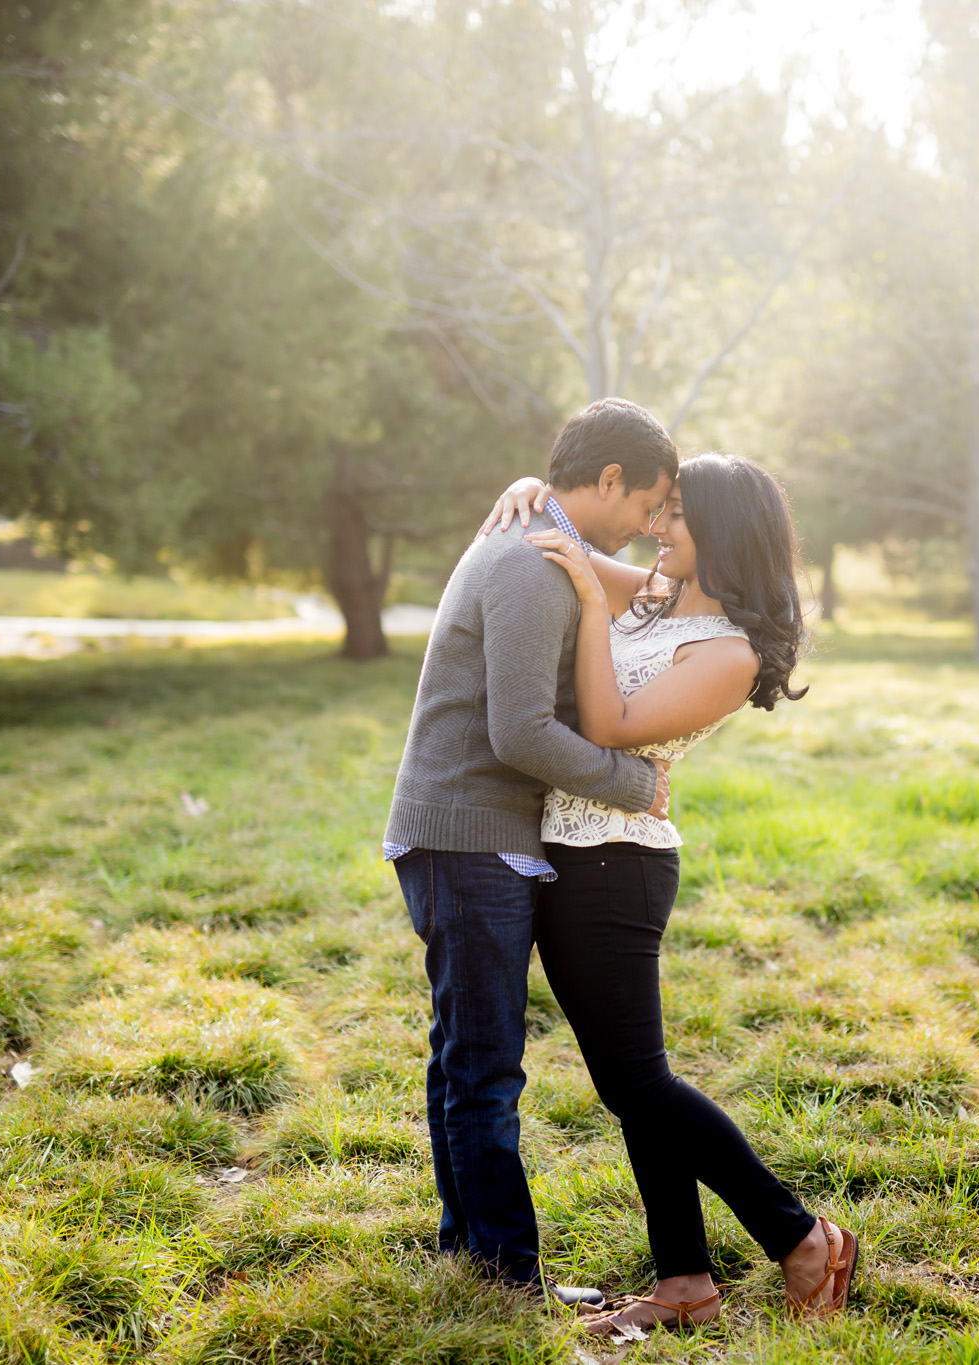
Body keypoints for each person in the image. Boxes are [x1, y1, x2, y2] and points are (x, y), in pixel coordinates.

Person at [478, 453, 858, 1334]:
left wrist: (587, 605)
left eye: (678, 514)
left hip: (617, 865)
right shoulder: (653, 596)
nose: (660, 525)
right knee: (630, 1085)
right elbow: (557, 538)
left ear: (722, 531)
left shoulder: (726, 651)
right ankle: (684, 1279)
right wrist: (528, 490)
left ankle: (801, 1237)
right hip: (573, 856)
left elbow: (608, 727)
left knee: (640, 1081)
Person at [382, 397, 678, 1306]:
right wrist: (634, 782)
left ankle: (471, 1256)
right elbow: (518, 732)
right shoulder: (530, 561)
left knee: (464, 1056)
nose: (648, 527)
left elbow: (657, 590)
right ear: (611, 479)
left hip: (463, 836)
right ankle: (506, 1278)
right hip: (468, 838)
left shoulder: (549, 543)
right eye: (647, 506)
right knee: (485, 1066)